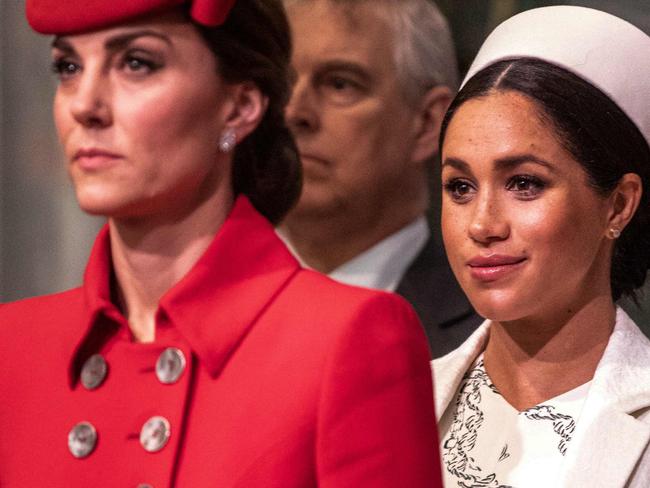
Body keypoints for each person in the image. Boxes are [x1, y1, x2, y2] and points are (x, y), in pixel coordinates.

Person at [0, 1, 444, 486]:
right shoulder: (14, 346)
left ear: (240, 106)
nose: (84, 104)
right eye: (68, 67)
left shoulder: (345, 340)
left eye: (136, 63)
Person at [432, 6, 650, 487]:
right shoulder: (394, 403)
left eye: (524, 183)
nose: (482, 224)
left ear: (618, 205)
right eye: (460, 187)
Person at [278, 0, 481, 358]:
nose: (295, 112)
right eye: (282, 82)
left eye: (340, 84)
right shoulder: (186, 292)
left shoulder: (492, 336)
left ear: (426, 123)